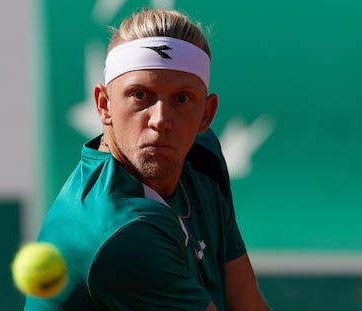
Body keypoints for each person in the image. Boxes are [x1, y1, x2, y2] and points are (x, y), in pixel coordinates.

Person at [24, 7, 270, 311]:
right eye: (140, 95)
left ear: (206, 114)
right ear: (104, 105)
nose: (160, 119)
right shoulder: (121, 231)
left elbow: (246, 302)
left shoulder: (203, 155)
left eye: (182, 99)